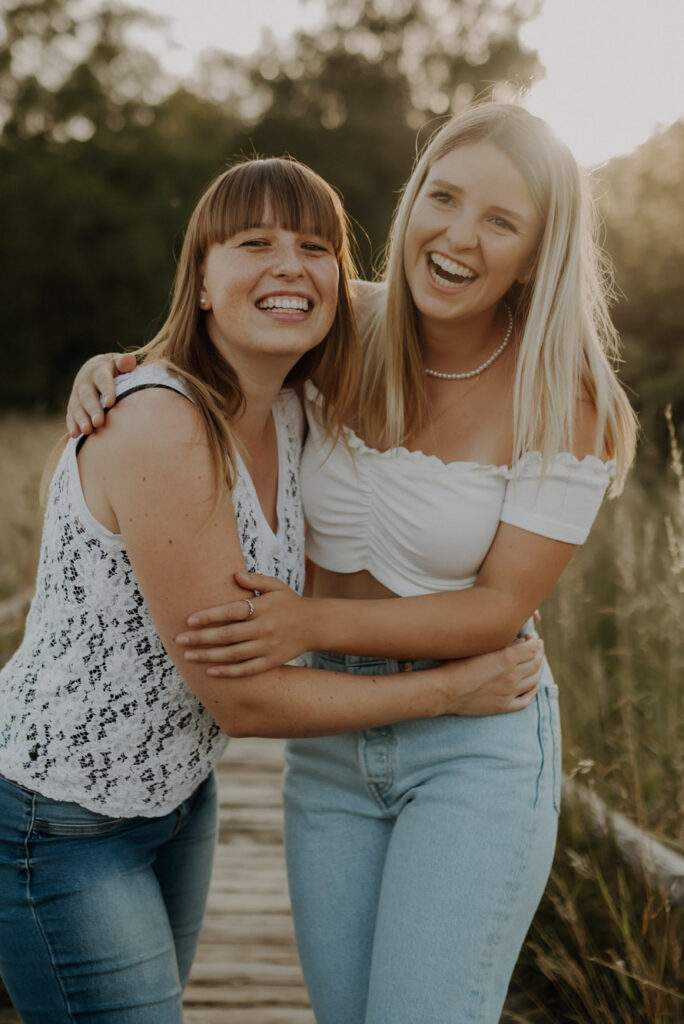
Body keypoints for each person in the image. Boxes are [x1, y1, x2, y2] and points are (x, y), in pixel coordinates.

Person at [66, 104, 636, 1023]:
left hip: (474, 739)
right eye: (442, 199)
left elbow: (497, 610)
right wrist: (111, 368)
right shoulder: (338, 327)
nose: (458, 236)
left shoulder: (563, 395)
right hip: (326, 740)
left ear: (537, 252)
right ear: (411, 206)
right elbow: (206, 355)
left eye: (501, 220)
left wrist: (309, 620)